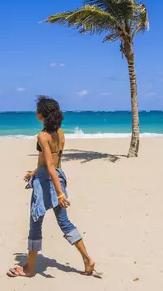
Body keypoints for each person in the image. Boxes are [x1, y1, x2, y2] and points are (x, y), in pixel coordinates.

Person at [7, 96, 96, 278]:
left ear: (41, 115)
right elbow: (53, 161)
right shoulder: (60, 133)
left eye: (37, 110)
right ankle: (87, 259)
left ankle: (29, 269)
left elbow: (49, 166)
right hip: (58, 177)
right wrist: (34, 172)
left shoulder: (42, 136)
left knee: (35, 223)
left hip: (47, 183)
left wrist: (60, 194)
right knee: (64, 222)